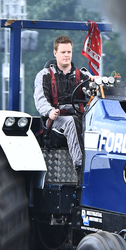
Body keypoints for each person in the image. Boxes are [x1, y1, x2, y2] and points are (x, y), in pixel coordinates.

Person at [34, 35, 97, 167]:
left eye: (69, 52)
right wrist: (50, 111)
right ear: (55, 53)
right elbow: (40, 99)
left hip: (80, 117)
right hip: (56, 120)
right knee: (71, 121)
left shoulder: (83, 76)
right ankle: (81, 166)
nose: (66, 55)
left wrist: (96, 85)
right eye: (63, 52)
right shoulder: (44, 75)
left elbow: (96, 96)